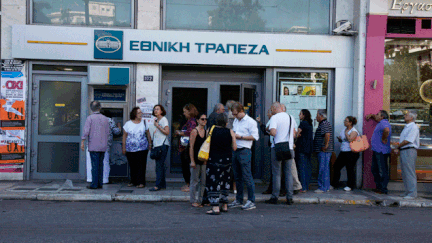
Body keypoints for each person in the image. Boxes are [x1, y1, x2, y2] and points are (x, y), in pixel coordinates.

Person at [228, 102, 259, 210]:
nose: (234, 116)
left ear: (241, 111)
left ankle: (251, 200)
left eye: (236, 114)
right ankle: (239, 199)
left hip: (245, 150)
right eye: (233, 114)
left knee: (247, 176)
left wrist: (240, 136)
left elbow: (255, 137)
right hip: (236, 150)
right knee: (237, 177)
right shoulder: (236, 120)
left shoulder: (251, 122)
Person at [205, 113, 237, 215]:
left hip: (213, 160)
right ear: (226, 122)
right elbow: (235, 147)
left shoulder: (210, 130)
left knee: (213, 182)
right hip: (226, 161)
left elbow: (207, 144)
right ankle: (224, 205)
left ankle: (215, 207)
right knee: (225, 182)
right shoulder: (230, 131)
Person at [265, 102, 295, 205]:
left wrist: (269, 132)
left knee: (277, 173)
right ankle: (289, 197)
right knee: (288, 173)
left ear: (274, 108)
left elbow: (273, 132)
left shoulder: (275, 118)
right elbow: (294, 133)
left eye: (271, 108)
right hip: (289, 147)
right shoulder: (291, 117)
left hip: (277, 147)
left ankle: (275, 197)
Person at [86, 110, 122, 185]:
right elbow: (117, 132)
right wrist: (119, 126)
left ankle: (91, 179)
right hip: (104, 145)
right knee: (104, 162)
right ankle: (104, 180)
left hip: (92, 144)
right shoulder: (109, 120)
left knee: (91, 163)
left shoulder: (92, 119)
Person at [81, 101, 110, 189]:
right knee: (100, 165)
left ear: (91, 108)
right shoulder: (106, 119)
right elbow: (108, 132)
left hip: (93, 146)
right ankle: (100, 183)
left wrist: (82, 141)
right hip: (103, 146)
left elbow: (86, 131)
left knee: (94, 166)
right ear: (100, 108)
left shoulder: (90, 118)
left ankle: (94, 184)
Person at [258, 109, 287, 196]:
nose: (267, 114)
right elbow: (266, 131)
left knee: (279, 171)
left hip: (278, 146)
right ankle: (273, 189)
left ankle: (280, 190)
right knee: (275, 170)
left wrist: (268, 130)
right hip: (274, 146)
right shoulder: (272, 120)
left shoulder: (276, 119)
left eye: (268, 112)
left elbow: (271, 132)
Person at [122, 107, 152, 188]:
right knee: (132, 166)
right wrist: (123, 147)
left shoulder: (144, 123)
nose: (141, 114)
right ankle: (133, 181)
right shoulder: (128, 124)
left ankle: (141, 182)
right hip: (130, 149)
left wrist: (150, 144)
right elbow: (124, 136)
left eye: (141, 113)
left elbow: (148, 134)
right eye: (139, 113)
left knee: (141, 165)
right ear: (134, 114)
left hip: (142, 148)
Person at [393, 110, 419, 199]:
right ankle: (408, 191)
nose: (405, 116)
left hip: (409, 150)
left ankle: (412, 193)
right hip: (405, 150)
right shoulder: (407, 127)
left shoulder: (414, 127)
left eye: (407, 115)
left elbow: (408, 140)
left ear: (411, 117)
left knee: (409, 172)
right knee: (405, 172)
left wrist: (398, 146)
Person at [366, 110, 391, 194]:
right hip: (377, 150)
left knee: (382, 170)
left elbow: (386, 130)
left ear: (382, 117)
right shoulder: (381, 122)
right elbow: (377, 118)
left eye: (378, 114)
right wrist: (372, 115)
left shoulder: (384, 122)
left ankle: (383, 189)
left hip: (381, 150)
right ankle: (379, 187)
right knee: (374, 169)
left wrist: (384, 138)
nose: (376, 116)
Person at [332, 116, 360, 192]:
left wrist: (347, 133)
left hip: (351, 152)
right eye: (344, 120)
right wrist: (340, 139)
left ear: (350, 123)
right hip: (343, 152)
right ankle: (335, 184)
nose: (344, 122)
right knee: (336, 166)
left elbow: (350, 139)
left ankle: (350, 185)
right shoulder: (344, 130)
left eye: (346, 121)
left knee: (350, 168)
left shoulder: (354, 131)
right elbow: (343, 140)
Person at [175, 103, 198, 192]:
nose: (184, 113)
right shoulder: (189, 121)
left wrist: (180, 133)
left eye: (185, 112)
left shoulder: (192, 122)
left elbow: (190, 132)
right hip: (185, 147)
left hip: (187, 147)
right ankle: (188, 184)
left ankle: (190, 185)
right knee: (185, 166)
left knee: (187, 167)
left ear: (190, 111)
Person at [281, 104, 302, 193]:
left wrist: (292, 142)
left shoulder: (288, 118)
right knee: (288, 168)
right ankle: (293, 186)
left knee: (289, 167)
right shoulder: (290, 118)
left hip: (285, 146)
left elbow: (294, 132)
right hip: (286, 146)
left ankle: (295, 186)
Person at [149, 105, 170, 191]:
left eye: (157, 109)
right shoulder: (156, 120)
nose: (155, 111)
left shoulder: (163, 119)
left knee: (159, 166)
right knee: (159, 165)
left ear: (161, 111)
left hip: (162, 145)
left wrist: (158, 126)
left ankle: (157, 185)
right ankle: (162, 185)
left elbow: (167, 132)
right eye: (154, 109)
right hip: (157, 145)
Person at [189, 112, 208, 207]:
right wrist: (192, 160)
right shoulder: (194, 131)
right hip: (195, 160)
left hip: (203, 160)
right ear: (197, 120)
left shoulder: (206, 132)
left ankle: (200, 201)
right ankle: (193, 200)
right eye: (202, 119)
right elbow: (191, 147)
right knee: (194, 181)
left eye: (205, 119)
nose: (204, 121)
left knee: (203, 182)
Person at [313, 109, 334, 193]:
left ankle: (322, 187)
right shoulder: (324, 123)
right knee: (325, 168)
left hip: (324, 150)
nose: (316, 117)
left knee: (323, 169)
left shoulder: (324, 123)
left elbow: (327, 134)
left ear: (321, 116)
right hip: (323, 150)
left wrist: (325, 145)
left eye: (317, 115)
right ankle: (326, 185)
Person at [295, 109, 313, 192]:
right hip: (308, 148)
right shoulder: (310, 124)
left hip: (301, 148)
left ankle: (303, 187)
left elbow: (297, 134)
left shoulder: (302, 123)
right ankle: (307, 185)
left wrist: (296, 135)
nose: (299, 115)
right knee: (307, 167)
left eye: (300, 114)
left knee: (301, 167)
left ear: (304, 115)